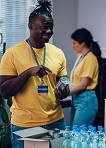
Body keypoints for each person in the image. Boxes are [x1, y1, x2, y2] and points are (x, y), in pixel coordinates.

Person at [0, 0, 70, 147]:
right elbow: (5, 91)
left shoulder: (58, 53)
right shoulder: (12, 53)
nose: (49, 32)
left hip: (55, 121)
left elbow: (63, 80)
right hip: (26, 125)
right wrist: (28, 73)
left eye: (51, 28)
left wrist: (63, 90)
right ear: (30, 26)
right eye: (44, 27)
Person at [69, 28, 102, 126]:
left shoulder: (91, 58)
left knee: (78, 133)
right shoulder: (81, 57)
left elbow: (83, 85)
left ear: (82, 43)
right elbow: (76, 81)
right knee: (73, 132)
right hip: (76, 98)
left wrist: (66, 93)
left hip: (86, 100)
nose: (72, 46)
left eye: (74, 43)